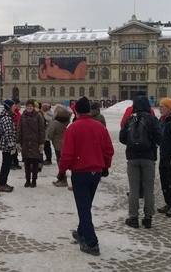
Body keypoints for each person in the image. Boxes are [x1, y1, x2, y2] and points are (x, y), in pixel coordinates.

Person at [60, 97, 114, 256]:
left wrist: (62, 170)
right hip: (95, 172)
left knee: (83, 207)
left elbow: (67, 153)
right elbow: (109, 150)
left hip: (80, 172)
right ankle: (81, 231)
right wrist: (105, 166)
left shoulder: (73, 128)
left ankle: (91, 242)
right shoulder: (100, 127)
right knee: (86, 204)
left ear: (76, 111)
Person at [119, 93, 162, 229]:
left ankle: (133, 218)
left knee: (134, 189)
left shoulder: (129, 119)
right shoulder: (152, 119)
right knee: (148, 189)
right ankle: (148, 218)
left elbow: (122, 138)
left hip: (132, 157)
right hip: (148, 157)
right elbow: (160, 137)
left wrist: (132, 144)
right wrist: (151, 143)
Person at [16, 99, 46, 187]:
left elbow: (42, 130)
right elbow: (19, 129)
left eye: (31, 106)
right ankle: (27, 180)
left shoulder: (38, 116)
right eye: (28, 106)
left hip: (35, 143)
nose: (29, 107)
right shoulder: (23, 116)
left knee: (35, 162)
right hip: (25, 142)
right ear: (26, 107)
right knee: (27, 162)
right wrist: (18, 142)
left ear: (33, 107)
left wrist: (41, 143)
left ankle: (34, 180)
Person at [0, 99, 18, 192]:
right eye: (14, 107)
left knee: (6, 164)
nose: (15, 108)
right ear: (9, 107)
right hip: (7, 146)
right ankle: (2, 184)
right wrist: (12, 146)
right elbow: (9, 134)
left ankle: (3, 182)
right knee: (6, 165)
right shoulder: (7, 118)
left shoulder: (8, 116)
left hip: (7, 145)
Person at [50, 104, 72, 187]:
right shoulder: (67, 120)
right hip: (65, 143)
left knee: (60, 161)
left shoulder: (55, 122)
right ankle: (62, 178)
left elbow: (50, 134)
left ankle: (62, 179)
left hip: (57, 144)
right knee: (63, 160)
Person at [11, 98, 23, 170]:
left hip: (18, 132)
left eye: (19, 104)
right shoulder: (13, 113)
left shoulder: (18, 112)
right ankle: (12, 163)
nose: (19, 105)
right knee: (12, 149)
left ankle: (15, 162)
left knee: (15, 149)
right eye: (17, 104)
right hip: (13, 132)